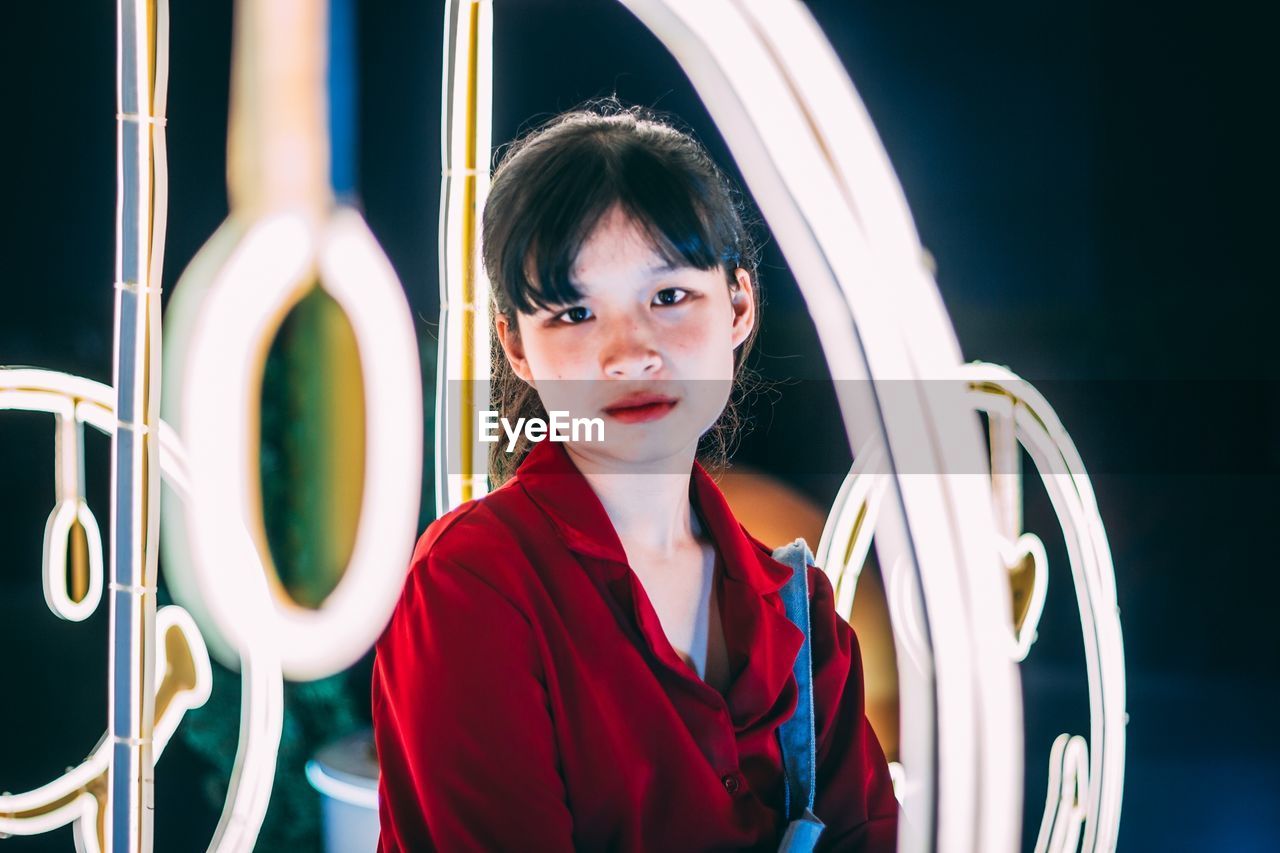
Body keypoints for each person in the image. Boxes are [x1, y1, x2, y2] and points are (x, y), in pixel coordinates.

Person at [371, 99, 899, 852]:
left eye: (669, 296)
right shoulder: (472, 584)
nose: (628, 353)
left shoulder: (801, 614)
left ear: (739, 304)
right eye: (573, 313)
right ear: (516, 347)